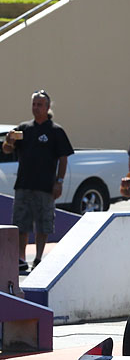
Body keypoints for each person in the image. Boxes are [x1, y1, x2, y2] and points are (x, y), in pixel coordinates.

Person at [2, 90, 74, 274]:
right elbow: (7, 149)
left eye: (39, 105)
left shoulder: (55, 131)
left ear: (47, 107)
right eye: (34, 104)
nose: (36, 108)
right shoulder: (24, 129)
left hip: (45, 186)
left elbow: (63, 158)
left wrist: (59, 181)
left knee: (43, 224)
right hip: (24, 184)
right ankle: (21, 258)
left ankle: (39, 258)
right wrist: (9, 141)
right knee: (21, 223)